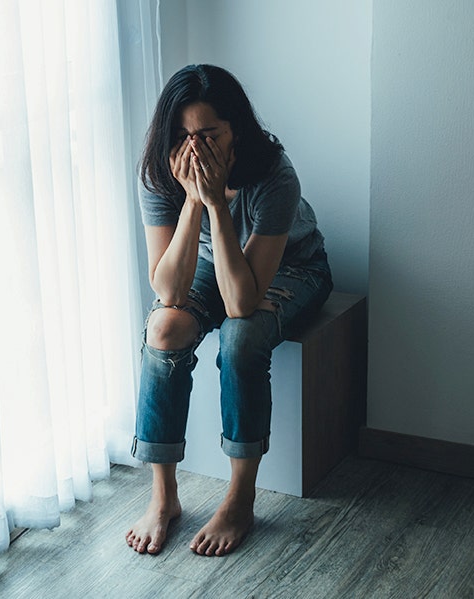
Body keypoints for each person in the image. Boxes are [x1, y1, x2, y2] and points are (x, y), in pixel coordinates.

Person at [125, 64, 333, 557]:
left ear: (235, 129)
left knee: (241, 337)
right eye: (182, 136)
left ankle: (240, 498)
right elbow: (169, 290)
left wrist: (218, 204)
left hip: (292, 267)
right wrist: (193, 202)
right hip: (207, 259)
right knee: (163, 327)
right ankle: (163, 496)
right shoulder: (160, 174)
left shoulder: (274, 175)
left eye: (208, 135)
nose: (194, 148)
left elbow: (241, 302)